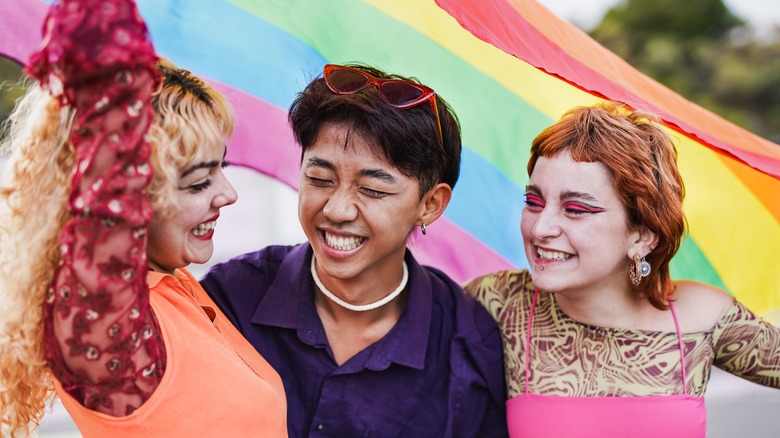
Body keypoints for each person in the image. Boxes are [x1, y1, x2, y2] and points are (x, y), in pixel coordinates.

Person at [0, 0, 286, 436]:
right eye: (197, 183)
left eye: (220, 169)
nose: (228, 195)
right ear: (132, 197)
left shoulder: (175, 286)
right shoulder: (111, 332)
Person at [201, 63, 508, 437]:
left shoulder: (470, 346)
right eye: (320, 179)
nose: (336, 210)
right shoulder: (227, 300)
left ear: (430, 204)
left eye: (373, 190)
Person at [464, 102, 780, 437]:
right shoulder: (498, 302)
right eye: (534, 202)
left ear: (642, 236)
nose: (540, 228)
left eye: (575, 209)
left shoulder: (702, 317)